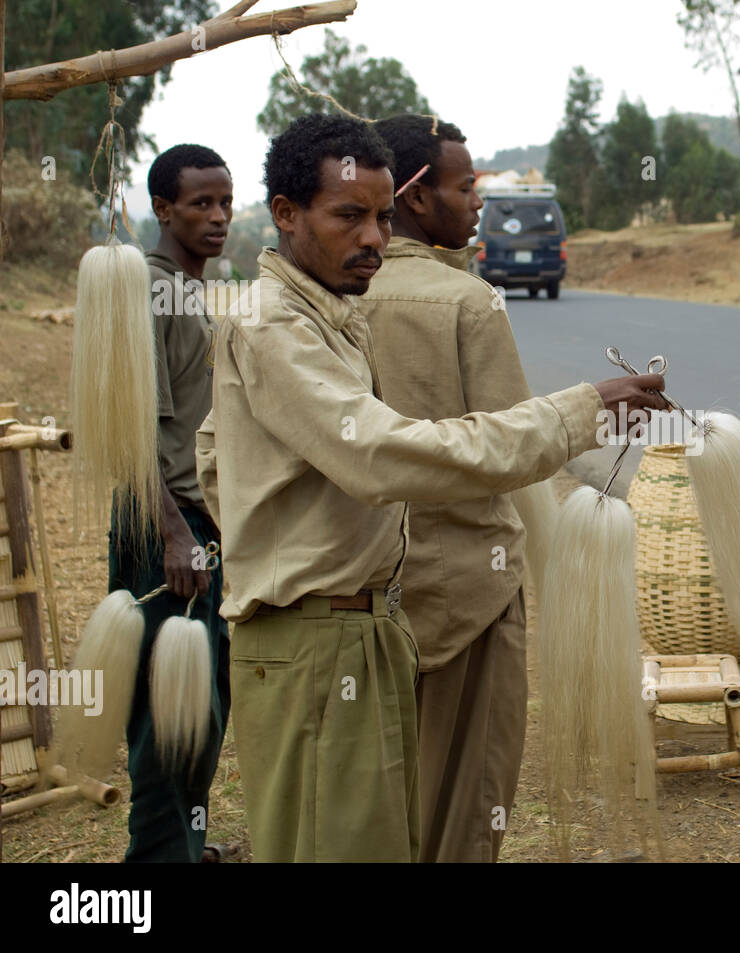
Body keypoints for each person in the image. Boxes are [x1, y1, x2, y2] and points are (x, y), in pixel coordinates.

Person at [193, 113, 667, 863]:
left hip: (361, 629)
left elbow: (214, 459)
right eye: (349, 216)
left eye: (381, 217)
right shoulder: (274, 326)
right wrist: (579, 411)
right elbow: (383, 456)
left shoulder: (333, 315)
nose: (374, 237)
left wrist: (276, 538)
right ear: (285, 213)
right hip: (317, 640)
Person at [362, 114, 534, 862]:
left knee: (381, 790)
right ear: (417, 196)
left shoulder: (322, 298)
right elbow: (511, 450)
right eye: (465, 187)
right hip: (471, 590)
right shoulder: (467, 301)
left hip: (366, 596)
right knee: (468, 800)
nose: (477, 205)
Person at [108, 144, 234, 863]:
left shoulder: (189, 292)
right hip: (165, 529)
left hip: (199, 526)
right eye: (200, 204)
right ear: (162, 208)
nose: (217, 218)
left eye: (225, 202)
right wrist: (171, 532)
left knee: (202, 707)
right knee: (166, 714)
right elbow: (130, 428)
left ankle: (184, 843)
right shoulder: (145, 291)